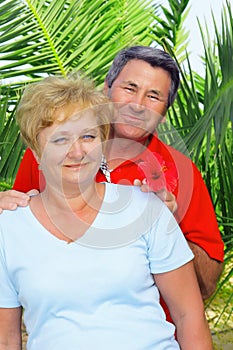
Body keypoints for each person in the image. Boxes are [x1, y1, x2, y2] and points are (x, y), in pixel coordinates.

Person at [0, 46, 224, 321]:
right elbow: (14, 245)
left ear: (164, 113)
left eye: (153, 96)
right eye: (130, 88)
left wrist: (168, 226)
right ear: (107, 89)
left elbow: (207, 285)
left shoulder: (183, 172)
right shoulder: (51, 155)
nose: (138, 104)